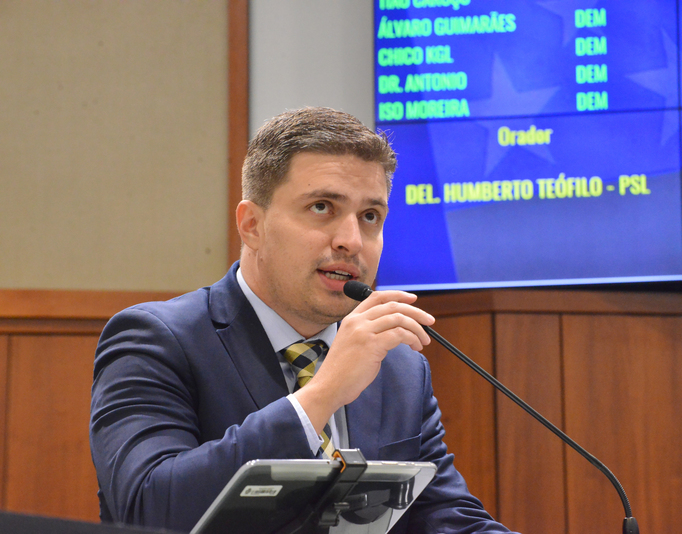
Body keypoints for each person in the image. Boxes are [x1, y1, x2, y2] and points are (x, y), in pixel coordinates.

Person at [90, 107, 516, 533]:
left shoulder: (397, 367)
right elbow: (145, 506)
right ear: (252, 226)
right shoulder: (157, 340)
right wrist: (323, 394)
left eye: (370, 216)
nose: (351, 241)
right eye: (322, 207)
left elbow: (445, 517)